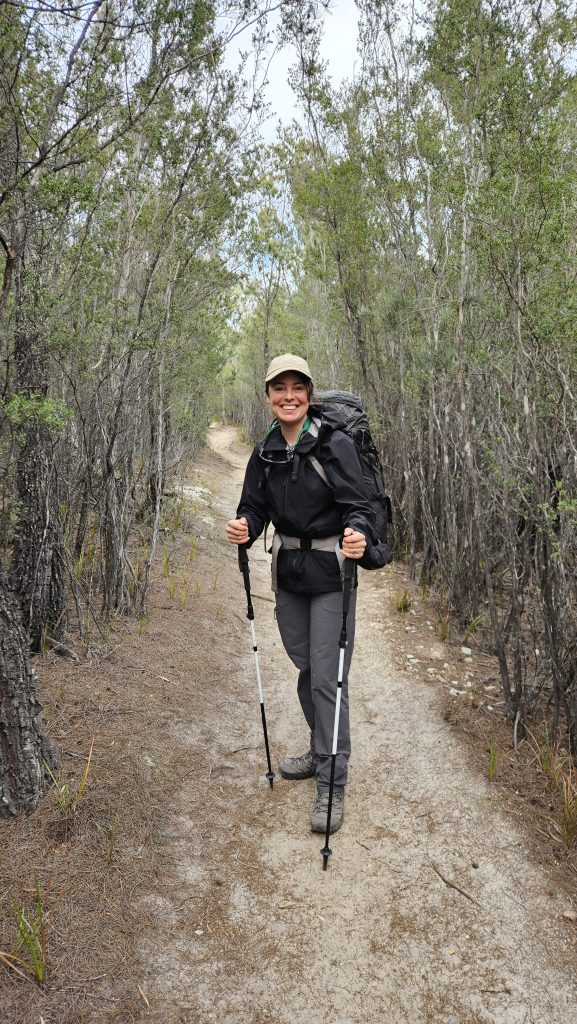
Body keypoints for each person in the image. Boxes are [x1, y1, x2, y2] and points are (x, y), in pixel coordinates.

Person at [226, 353, 377, 834]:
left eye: (297, 387)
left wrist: (357, 533)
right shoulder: (266, 448)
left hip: (333, 572)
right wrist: (244, 527)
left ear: (309, 393)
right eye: (279, 388)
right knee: (305, 665)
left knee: (327, 679)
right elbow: (254, 507)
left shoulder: (333, 444)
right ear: (268, 396)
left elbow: (359, 506)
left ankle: (333, 781)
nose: (288, 396)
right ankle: (319, 749)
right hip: (290, 574)